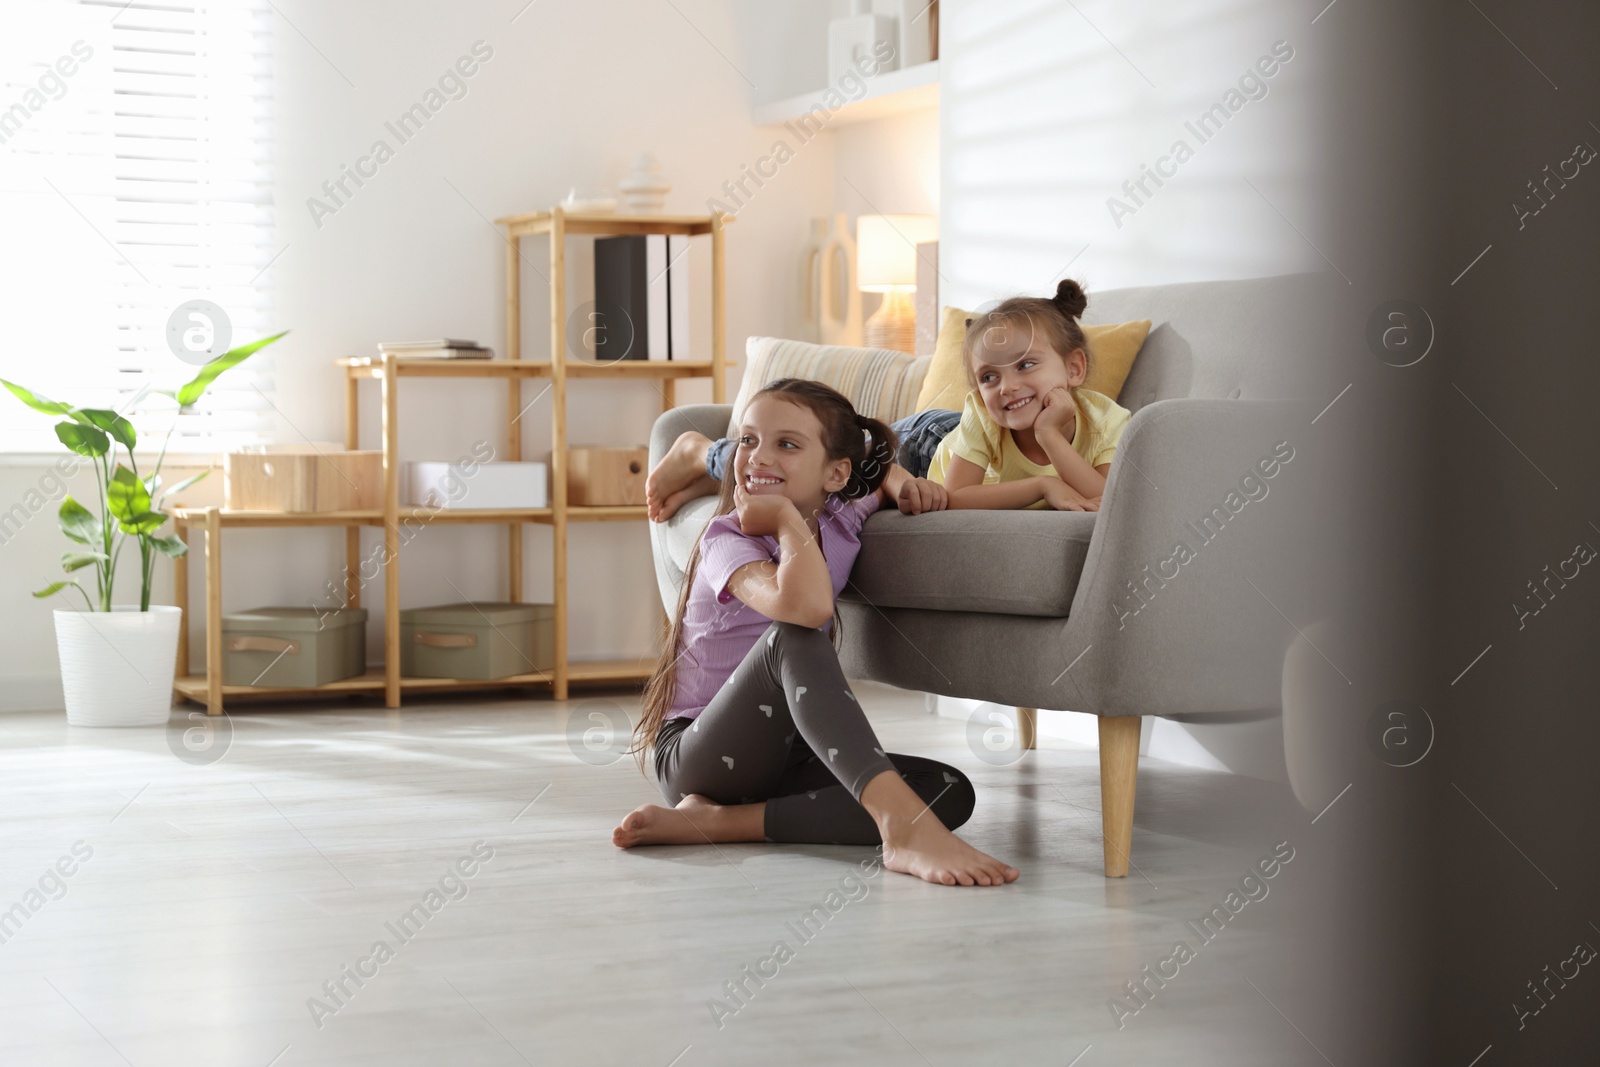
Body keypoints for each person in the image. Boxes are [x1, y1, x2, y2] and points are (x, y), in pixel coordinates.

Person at [614, 378, 1020, 888]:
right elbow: (803, 609)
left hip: (789, 754)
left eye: (786, 444)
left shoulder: (844, 514)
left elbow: (872, 476)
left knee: (948, 790)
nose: (758, 458)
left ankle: (716, 822)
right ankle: (898, 827)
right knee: (792, 636)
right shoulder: (727, 538)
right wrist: (784, 517)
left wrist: (899, 483)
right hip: (701, 756)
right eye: (748, 440)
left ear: (835, 473)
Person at [644, 278, 1128, 521]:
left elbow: (1106, 500)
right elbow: (957, 497)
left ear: (1074, 369)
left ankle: (714, 484)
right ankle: (701, 452)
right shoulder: (983, 416)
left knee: (811, 490)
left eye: (1026, 366)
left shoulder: (1107, 421)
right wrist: (1043, 487)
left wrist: (1049, 437)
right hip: (923, 446)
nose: (1007, 388)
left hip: (933, 463)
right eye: (988, 377)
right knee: (817, 468)